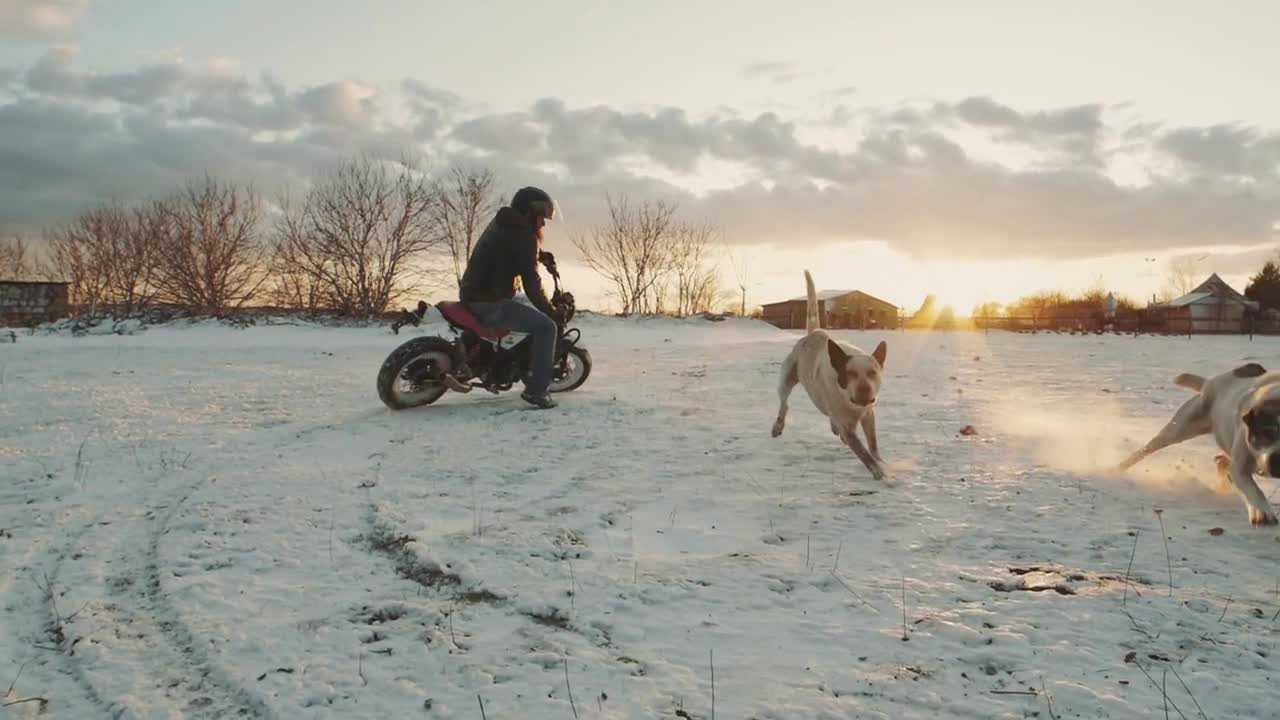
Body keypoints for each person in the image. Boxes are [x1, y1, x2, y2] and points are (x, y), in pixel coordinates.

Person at [459, 186, 565, 409]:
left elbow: (508, 253)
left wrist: (540, 255)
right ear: (529, 213)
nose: (543, 223)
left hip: (473, 293)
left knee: (524, 311)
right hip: (489, 301)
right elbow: (532, 283)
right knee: (546, 328)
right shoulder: (524, 235)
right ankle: (537, 391)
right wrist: (551, 312)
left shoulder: (504, 224)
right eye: (541, 217)